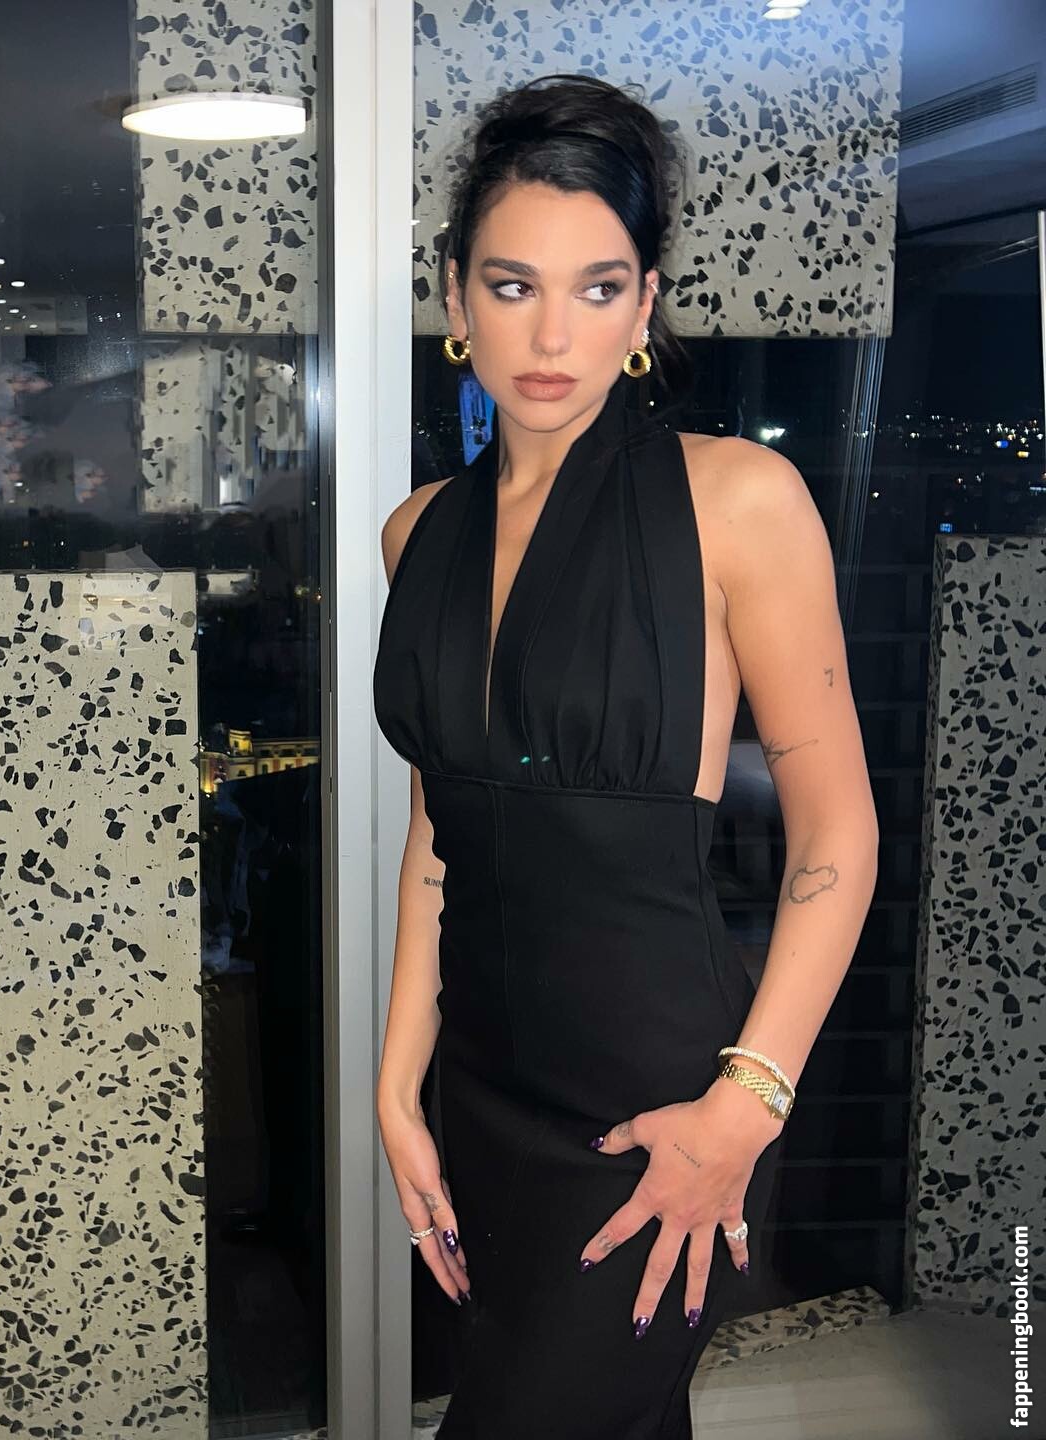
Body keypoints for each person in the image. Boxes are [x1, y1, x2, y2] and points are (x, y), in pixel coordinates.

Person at [372, 73, 879, 1438]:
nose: (553, 334)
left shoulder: (739, 501)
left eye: (598, 289)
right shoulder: (417, 533)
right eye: (513, 285)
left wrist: (746, 1106)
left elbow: (838, 831)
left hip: (660, 1105)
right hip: (484, 1094)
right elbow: (439, 837)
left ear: (645, 306)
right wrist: (397, 1080)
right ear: (456, 298)